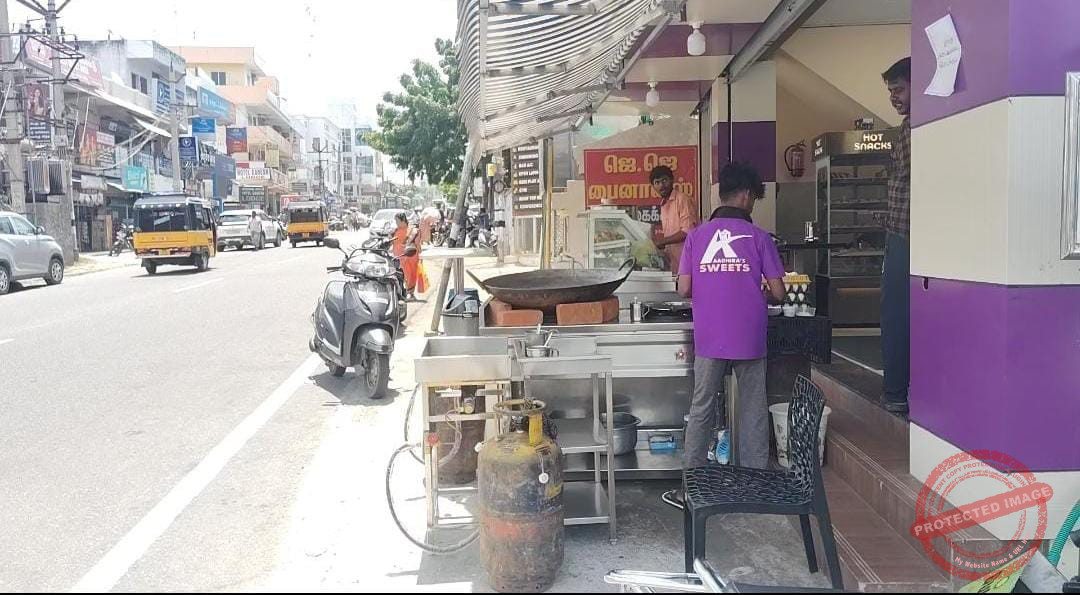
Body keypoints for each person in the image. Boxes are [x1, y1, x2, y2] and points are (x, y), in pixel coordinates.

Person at [663, 163, 786, 509]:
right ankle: (755, 485)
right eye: (754, 198)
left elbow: (683, 288)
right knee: (753, 407)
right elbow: (778, 292)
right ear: (746, 195)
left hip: (710, 336)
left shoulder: (696, 236)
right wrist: (755, 292)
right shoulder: (759, 238)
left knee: (701, 406)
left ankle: (691, 485)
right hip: (749, 335)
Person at [881, 57, 911, 415]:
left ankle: (895, 393)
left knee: (896, 316)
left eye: (899, 90)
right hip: (900, 232)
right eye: (890, 91)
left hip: (906, 235)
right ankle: (896, 392)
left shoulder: (918, 129)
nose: (894, 98)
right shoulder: (906, 128)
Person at [651, 165, 700, 273]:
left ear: (672, 180)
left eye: (664, 180)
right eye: (657, 182)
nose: (661, 185)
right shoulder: (663, 204)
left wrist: (662, 241)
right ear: (653, 186)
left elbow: (687, 231)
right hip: (674, 265)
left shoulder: (682, 199)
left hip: (688, 263)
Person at [392, 212, 422, 300]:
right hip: (398, 258)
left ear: (403, 220)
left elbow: (417, 243)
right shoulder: (395, 231)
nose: (396, 223)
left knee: (411, 275)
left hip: (411, 256)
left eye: (397, 221)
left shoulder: (412, 230)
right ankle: (402, 293)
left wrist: (420, 254)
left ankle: (410, 294)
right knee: (401, 276)